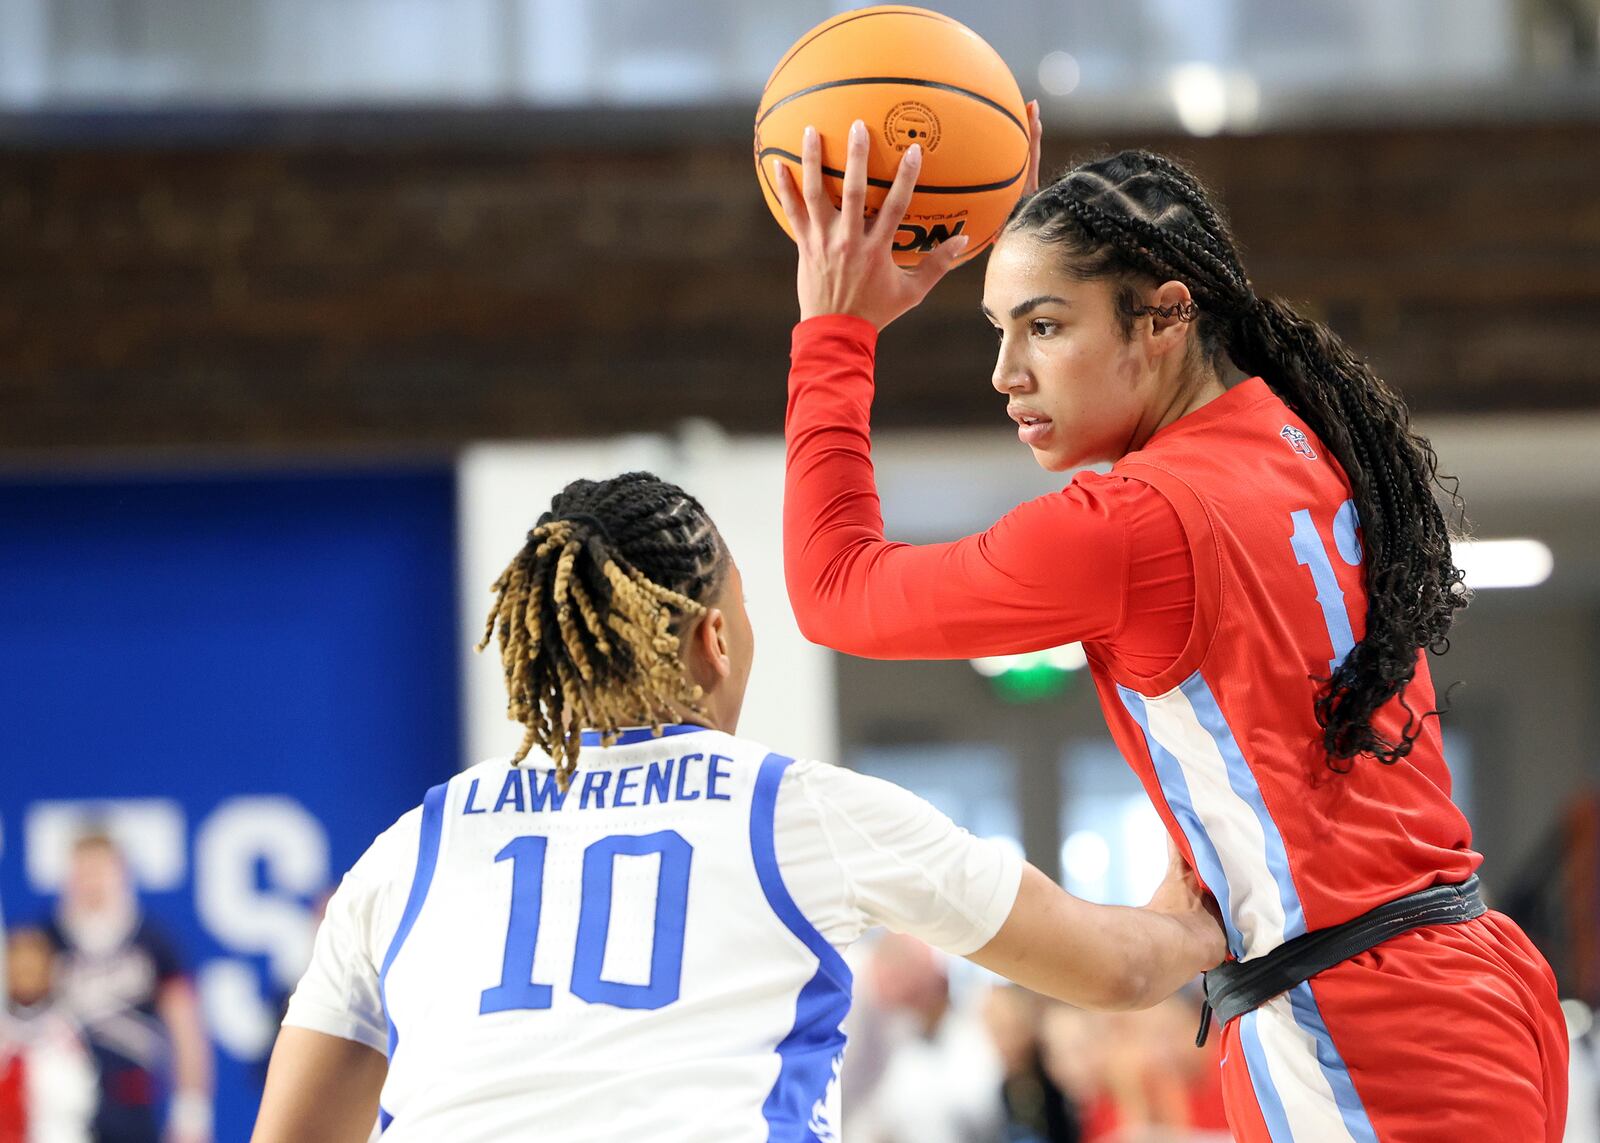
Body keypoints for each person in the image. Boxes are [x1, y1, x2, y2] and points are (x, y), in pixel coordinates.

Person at [768, 119, 1569, 1141]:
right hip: (1472, 978)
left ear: (1162, 320)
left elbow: (834, 591)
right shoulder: (1303, 434)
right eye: (997, 330)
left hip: (1361, 1027)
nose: (1005, 372)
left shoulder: (1132, 525)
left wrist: (834, 329)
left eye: (1045, 327)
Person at [251, 471, 1223, 1142]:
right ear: (716, 637)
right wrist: (1211, 898)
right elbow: (1121, 970)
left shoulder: (412, 844)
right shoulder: (794, 807)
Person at [45, 834, 212, 1143]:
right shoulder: (45, 941)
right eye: (83, 872)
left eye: (100, 871)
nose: (92, 883)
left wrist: (192, 1115)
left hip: (132, 1105)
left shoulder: (152, 941)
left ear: (120, 873)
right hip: (60, 1110)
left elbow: (186, 1030)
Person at [0, 926, 98, 1143]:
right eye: (17, 967)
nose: (25, 975)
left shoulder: (66, 1031)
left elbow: (77, 1101)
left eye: (32, 967)